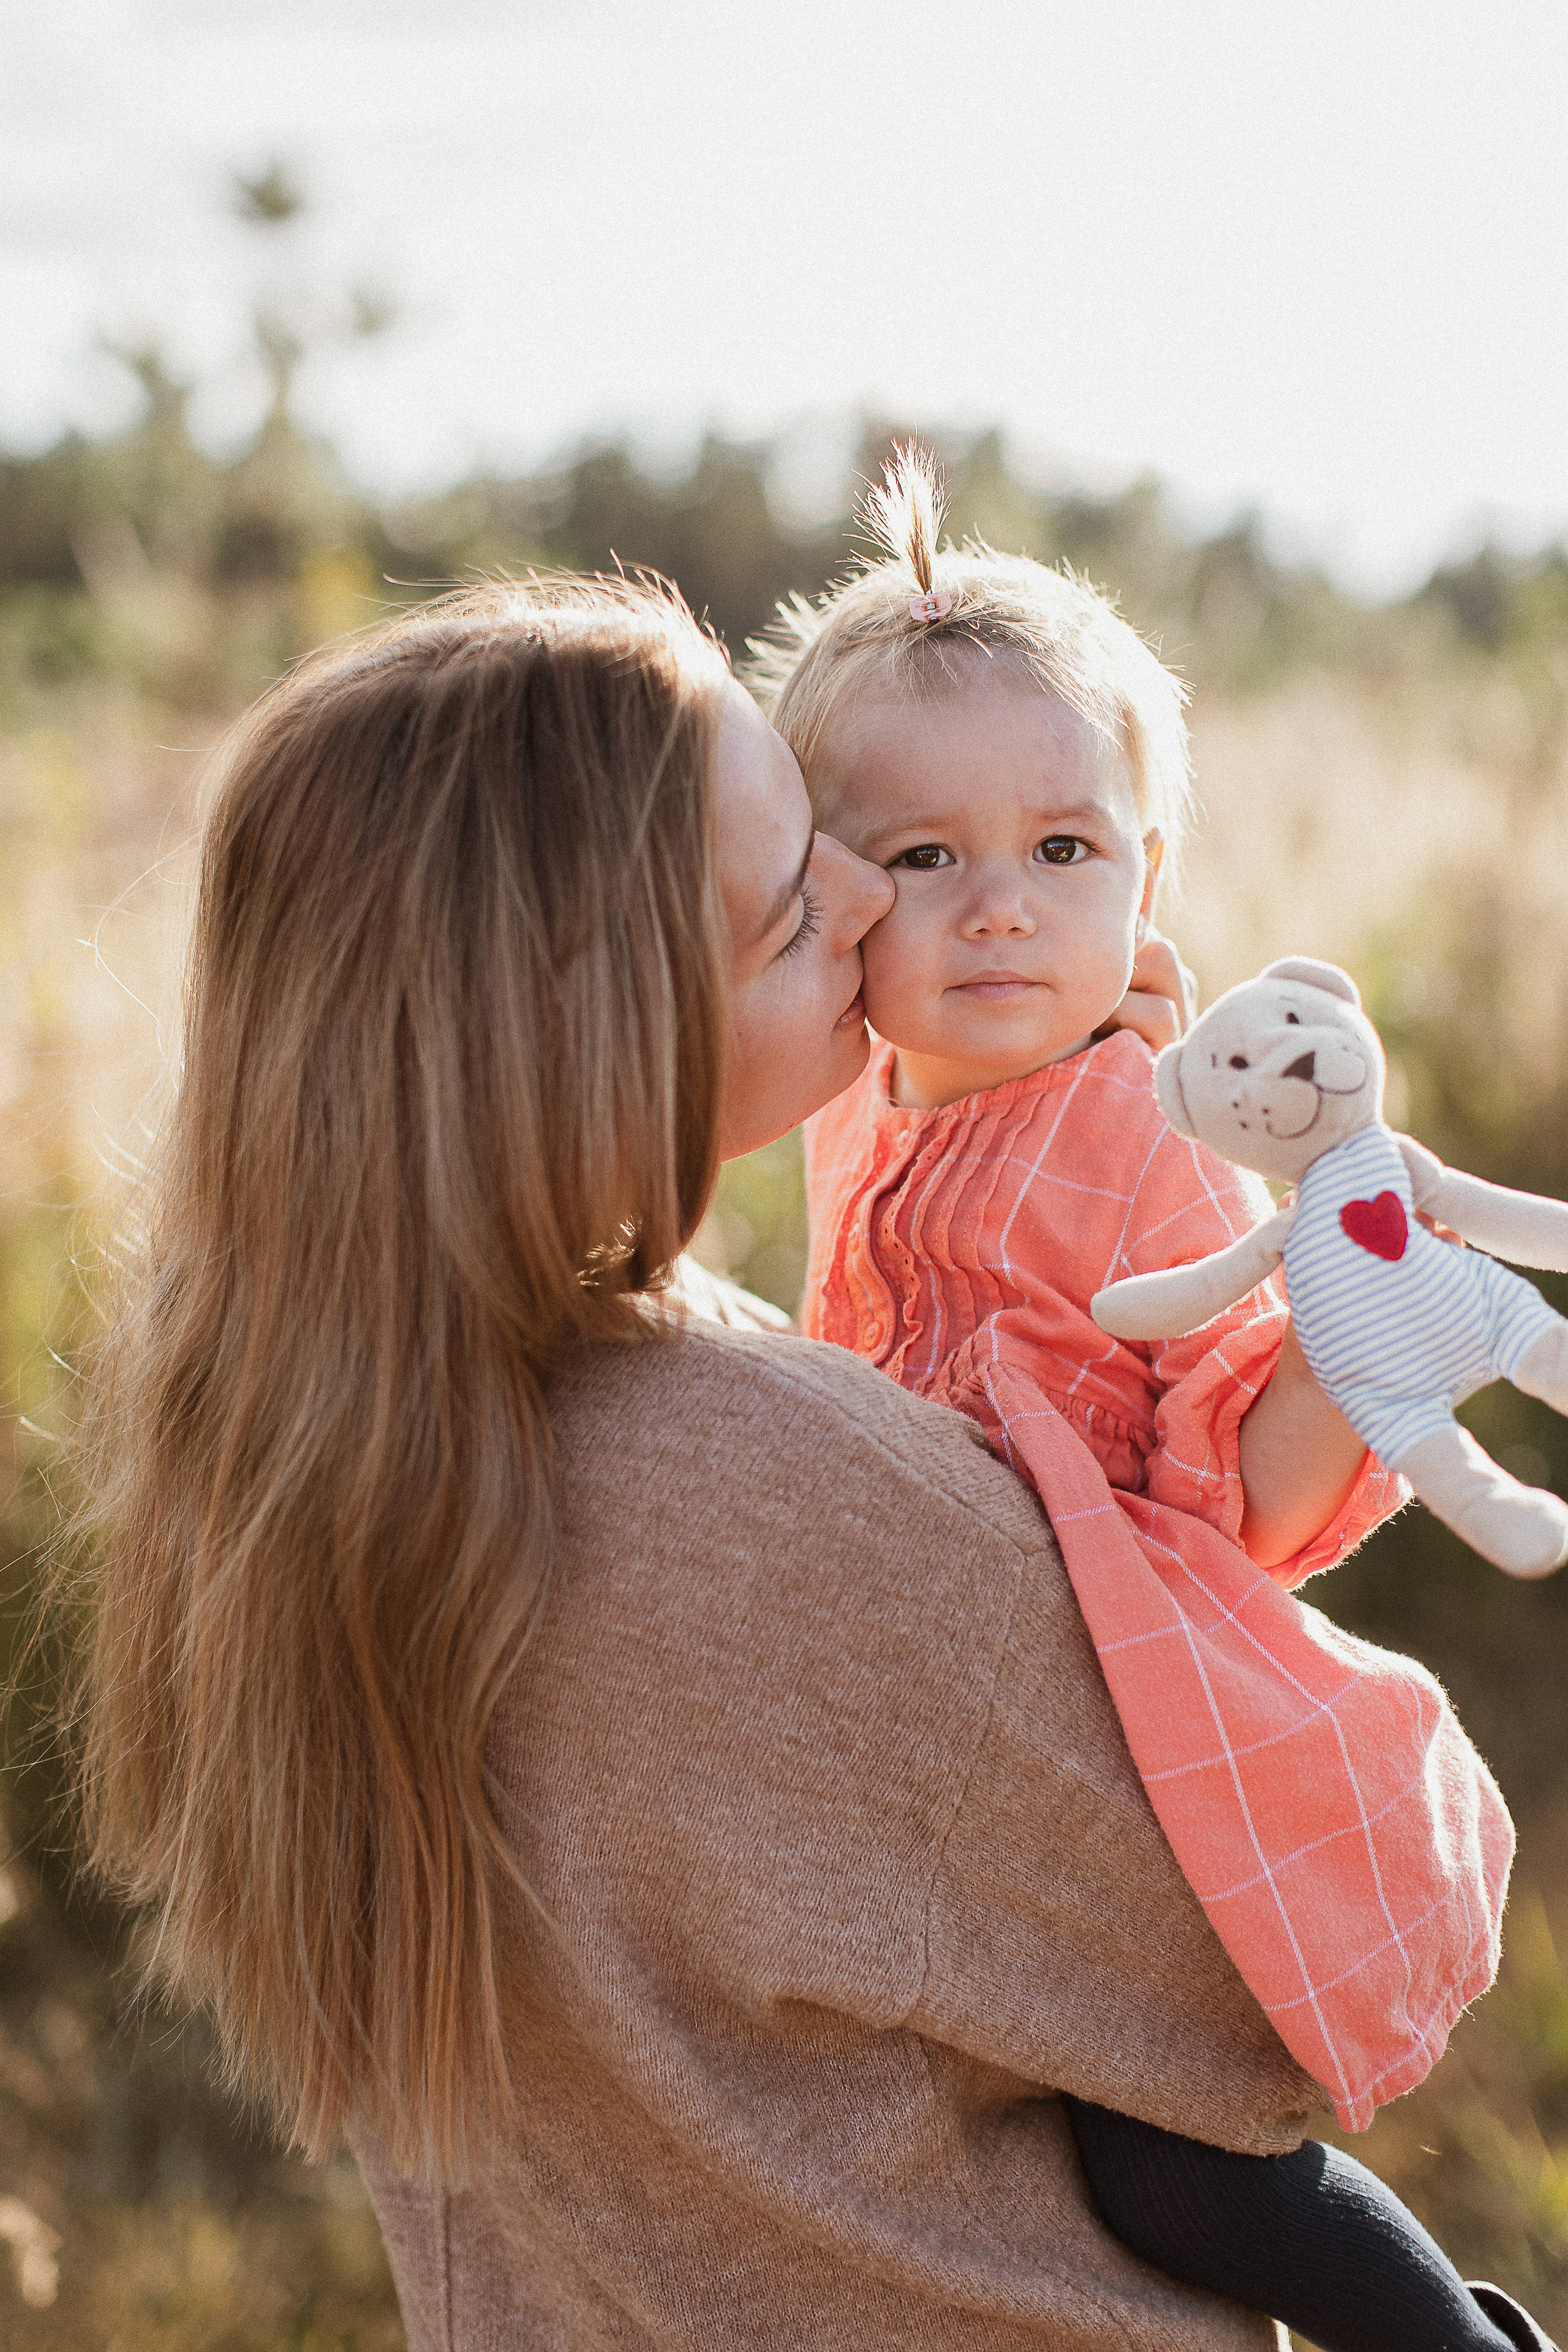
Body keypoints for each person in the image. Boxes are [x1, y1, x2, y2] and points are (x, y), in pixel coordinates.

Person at [63, 578, 1542, 2350]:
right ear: (599, 1023)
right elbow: (1230, 1983)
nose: (875, 901)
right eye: (797, 896)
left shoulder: (336, 1454)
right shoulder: (766, 1502)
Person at [752, 450, 1552, 2351]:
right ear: (830, 888)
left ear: (1148, 872)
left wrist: (1365, 1339)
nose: (1002, 912)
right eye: (926, 857)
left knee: (1171, 2159)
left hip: (1116, 1724)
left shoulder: (1130, 1132)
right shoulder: (864, 1092)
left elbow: (1244, 1498)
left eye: (1064, 851)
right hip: (951, 1718)